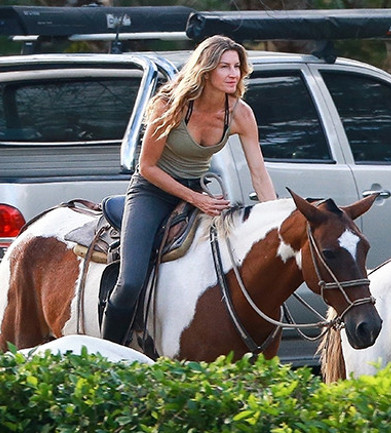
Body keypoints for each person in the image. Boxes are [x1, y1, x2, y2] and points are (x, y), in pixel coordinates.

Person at [101, 35, 276, 344]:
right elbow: (147, 167)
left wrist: (275, 220)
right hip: (152, 191)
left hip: (197, 191)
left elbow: (259, 173)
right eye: (224, 66)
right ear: (206, 70)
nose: (233, 74)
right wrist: (197, 199)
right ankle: (106, 351)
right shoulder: (168, 105)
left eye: (237, 66)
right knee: (129, 283)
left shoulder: (241, 114)